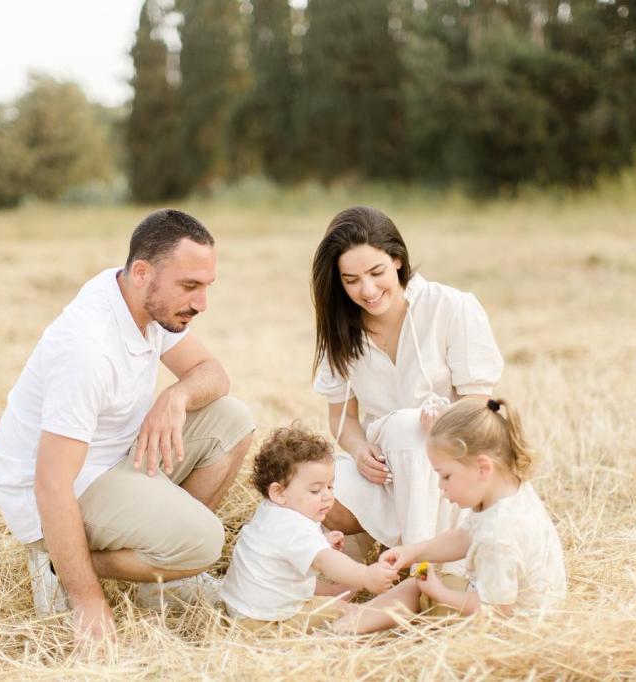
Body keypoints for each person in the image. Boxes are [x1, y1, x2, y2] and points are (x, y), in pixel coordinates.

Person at [0, 209, 254, 646]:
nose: (201, 303)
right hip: (63, 489)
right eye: (189, 286)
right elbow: (51, 484)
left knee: (233, 421)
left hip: (113, 459)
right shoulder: (87, 348)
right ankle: (60, 566)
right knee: (204, 543)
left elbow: (213, 373)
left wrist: (176, 396)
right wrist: (88, 601)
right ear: (142, 272)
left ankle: (160, 572)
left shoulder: (145, 301)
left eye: (206, 286)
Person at [311, 206, 504, 559]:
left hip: (446, 460)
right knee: (310, 487)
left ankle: (418, 566)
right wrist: (357, 450)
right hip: (383, 467)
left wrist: (446, 417)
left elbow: (479, 405)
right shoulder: (340, 327)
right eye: (351, 280)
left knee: (407, 428)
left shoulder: (451, 307)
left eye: (376, 272)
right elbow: (343, 419)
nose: (367, 290)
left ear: (397, 259)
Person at [333, 398, 566, 633]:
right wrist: (412, 552)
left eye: (445, 476)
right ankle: (362, 616)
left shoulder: (499, 534)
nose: (441, 488)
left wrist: (440, 593)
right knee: (421, 584)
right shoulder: (509, 492)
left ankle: (345, 629)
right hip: (514, 610)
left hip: (511, 630)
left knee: (418, 588)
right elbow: (464, 536)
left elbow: (496, 610)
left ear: (482, 468)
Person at [220, 424, 398, 633]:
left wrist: (322, 541)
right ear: (278, 492)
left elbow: (286, 551)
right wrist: (366, 576)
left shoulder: (271, 512)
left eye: (330, 486)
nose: (327, 496)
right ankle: (375, 617)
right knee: (345, 611)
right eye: (315, 490)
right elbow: (325, 561)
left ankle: (335, 591)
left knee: (306, 583)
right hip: (265, 623)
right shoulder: (295, 527)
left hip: (240, 609)